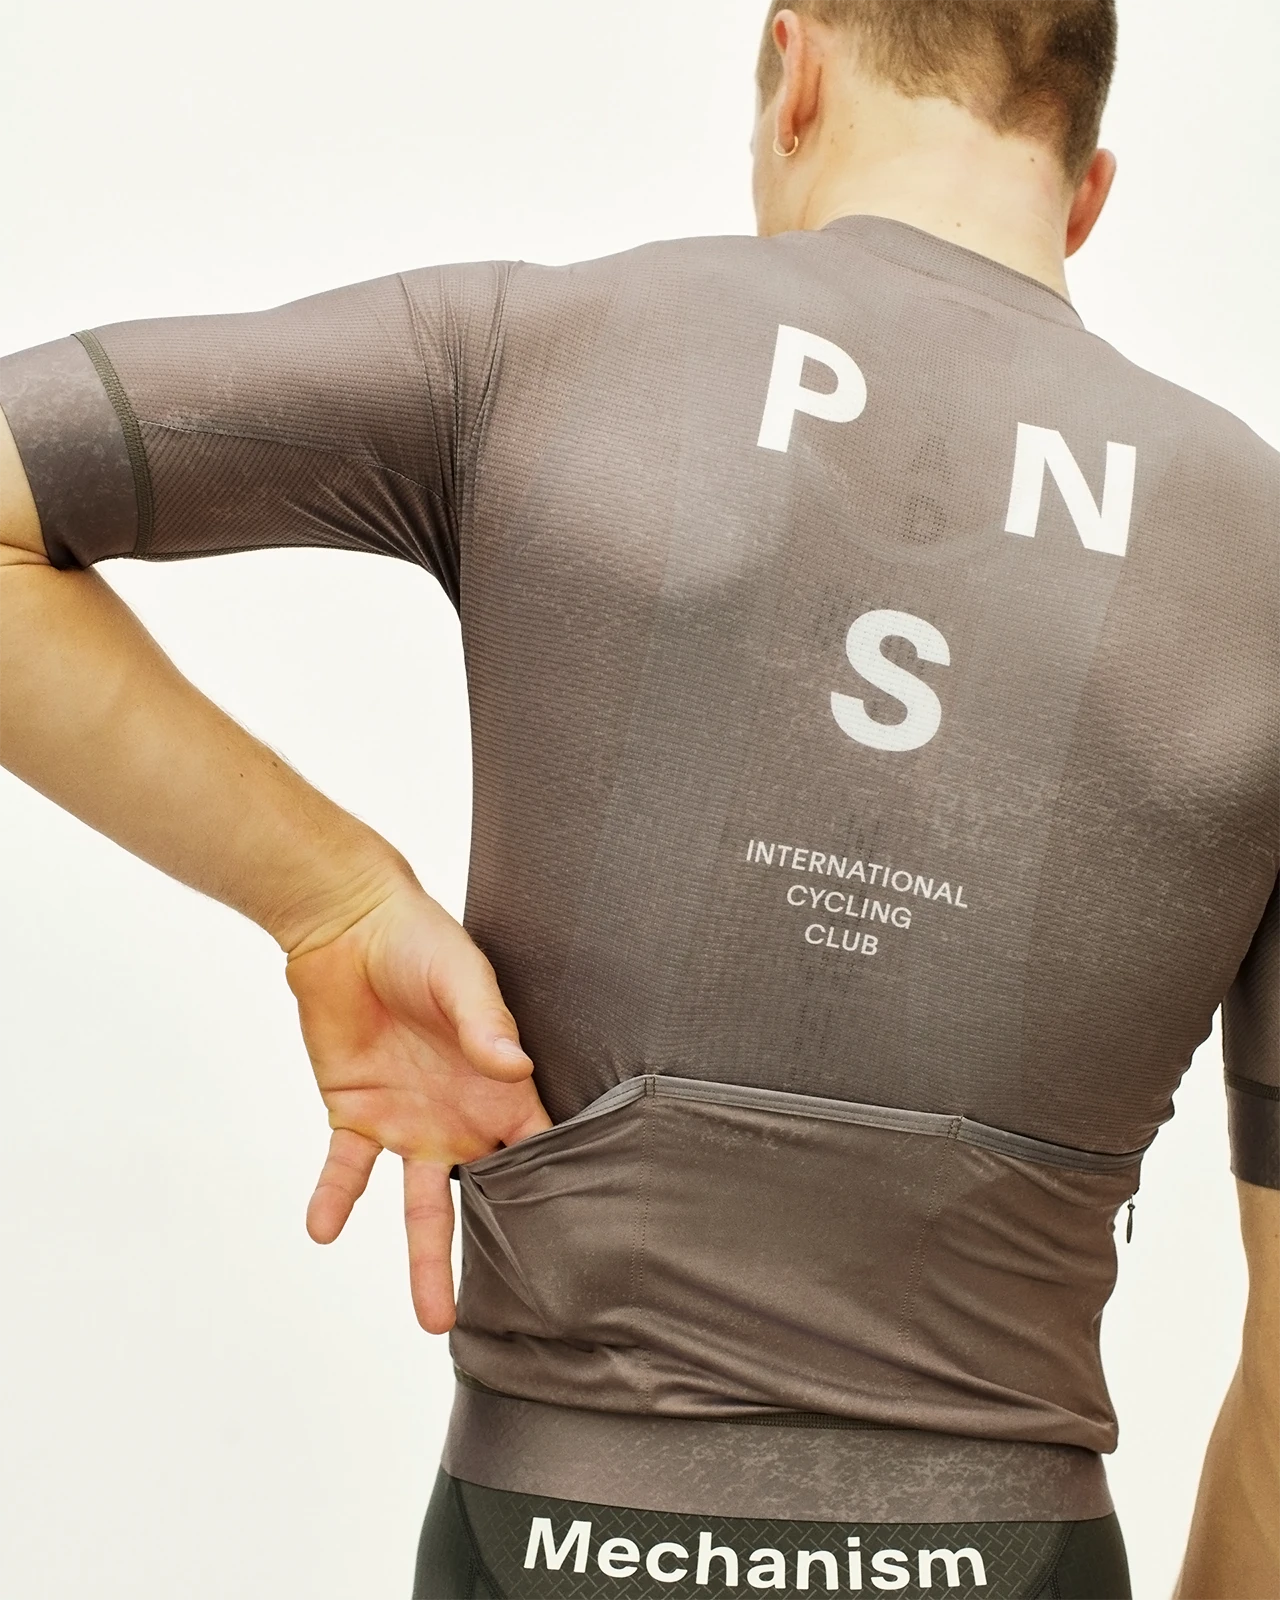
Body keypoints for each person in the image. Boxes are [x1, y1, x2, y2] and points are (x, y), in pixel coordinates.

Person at [2, 0, 1279, 1592]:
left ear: (795, 72)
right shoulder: (1260, 566)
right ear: (1085, 194)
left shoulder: (538, 349)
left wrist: (328, 895)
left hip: (542, 1540)